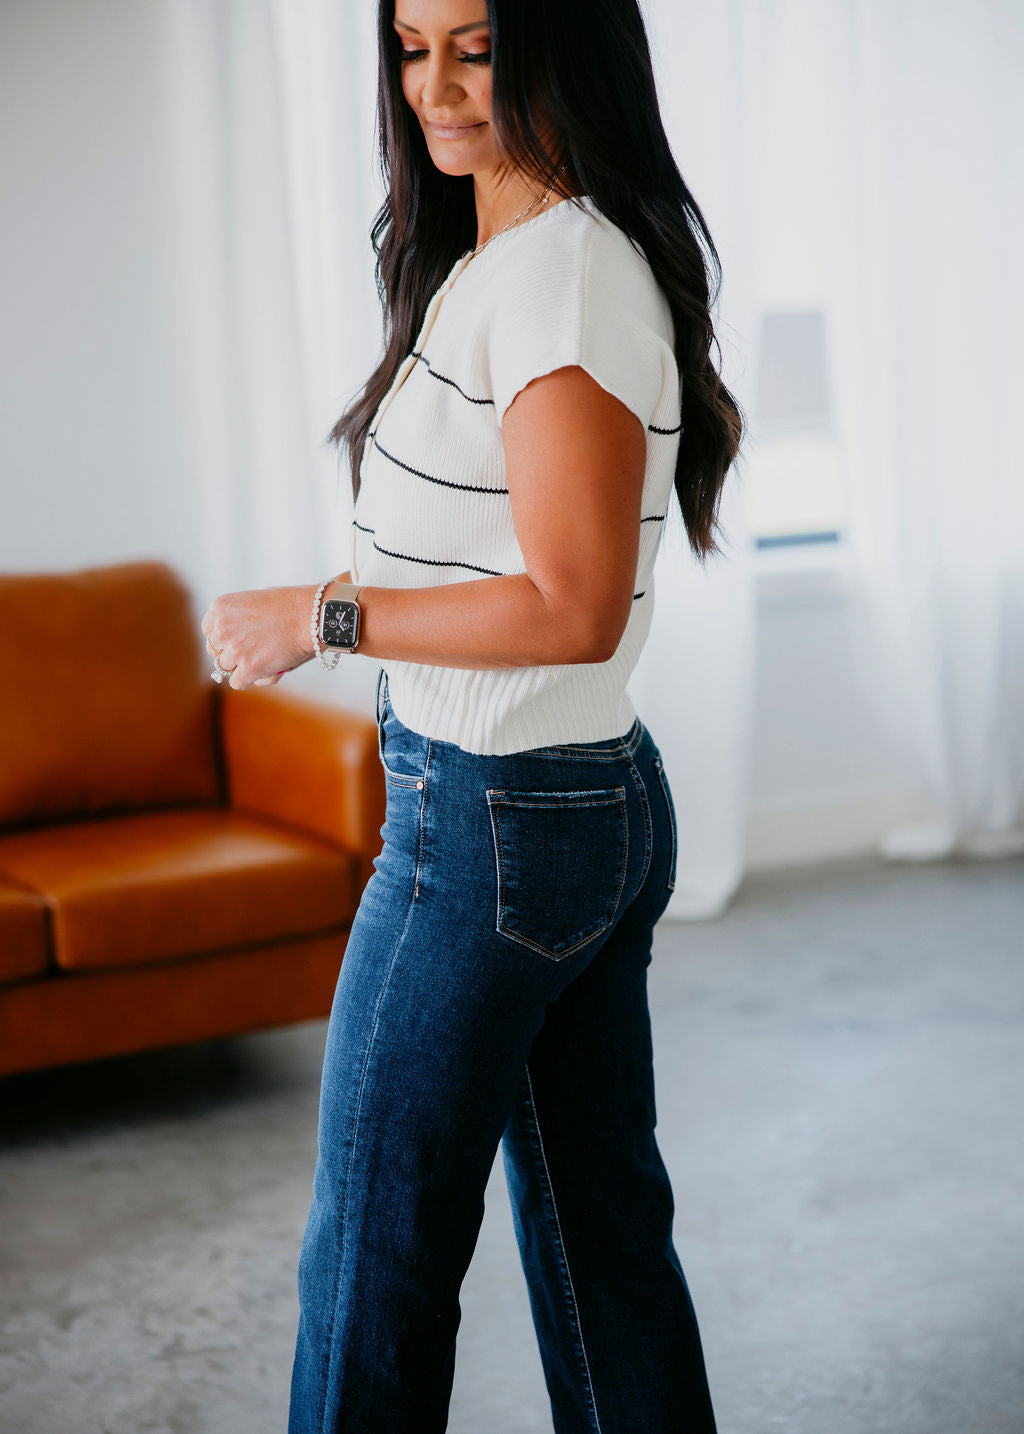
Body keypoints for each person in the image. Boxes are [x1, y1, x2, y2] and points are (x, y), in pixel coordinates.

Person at [201, 0, 743, 1428]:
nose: (434, 86)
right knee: (599, 1240)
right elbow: (496, 565)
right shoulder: (508, 260)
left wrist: (323, 618)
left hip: (488, 820)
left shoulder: (562, 276)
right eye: (410, 45)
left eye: (476, 46)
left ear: (558, 46)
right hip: (565, 800)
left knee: (373, 1255)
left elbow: (569, 602)